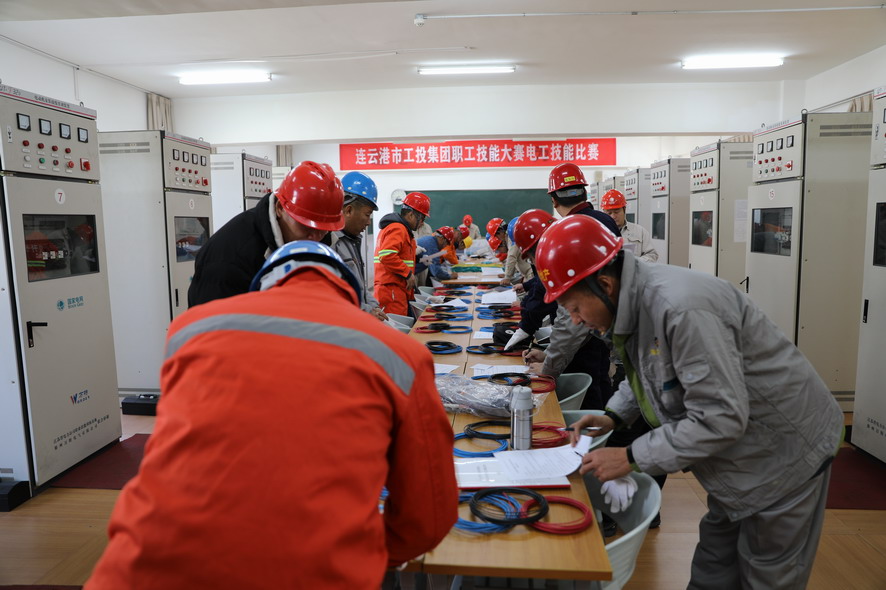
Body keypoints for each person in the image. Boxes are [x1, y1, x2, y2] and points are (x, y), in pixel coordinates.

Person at [84, 241, 458, 590]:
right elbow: (428, 517)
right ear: (349, 291)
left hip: (141, 568)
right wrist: (364, 550)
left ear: (263, 284)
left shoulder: (190, 329)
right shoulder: (399, 354)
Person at [537, 214, 843, 590]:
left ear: (604, 284)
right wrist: (613, 416)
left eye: (574, 308)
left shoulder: (680, 310)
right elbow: (651, 369)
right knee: (712, 570)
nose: (575, 320)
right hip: (737, 462)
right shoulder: (635, 303)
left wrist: (630, 456)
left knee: (767, 575)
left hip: (782, 456)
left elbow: (720, 418)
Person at [522, 163, 620, 407]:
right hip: (605, 326)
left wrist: (548, 367)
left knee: (591, 392)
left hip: (593, 328)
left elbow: (571, 321)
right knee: (602, 384)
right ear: (584, 192)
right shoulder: (604, 220)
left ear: (553, 201)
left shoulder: (567, 233)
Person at [188, 161, 344, 306]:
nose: (315, 239)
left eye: (323, 230)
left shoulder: (318, 241)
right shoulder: (229, 258)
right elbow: (215, 323)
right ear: (280, 208)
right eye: (306, 227)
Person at [329, 171, 387, 321]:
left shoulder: (351, 240)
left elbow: (360, 287)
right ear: (349, 210)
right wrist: (366, 311)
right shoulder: (330, 244)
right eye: (367, 215)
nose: (368, 222)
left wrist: (373, 306)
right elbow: (333, 297)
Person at [373, 192, 430, 315]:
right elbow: (387, 255)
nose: (422, 223)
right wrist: (408, 274)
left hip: (395, 289)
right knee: (395, 326)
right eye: (422, 219)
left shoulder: (400, 229)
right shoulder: (398, 229)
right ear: (411, 215)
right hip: (391, 291)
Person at [599, 189, 658, 262]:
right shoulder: (599, 233)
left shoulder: (640, 232)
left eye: (616, 212)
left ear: (624, 209)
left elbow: (652, 254)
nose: (613, 216)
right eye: (609, 213)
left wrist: (634, 263)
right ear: (603, 213)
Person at [500, 216, 533, 290]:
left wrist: (507, 277)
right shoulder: (511, 236)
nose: (499, 239)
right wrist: (507, 274)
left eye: (497, 236)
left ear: (500, 232)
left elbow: (512, 257)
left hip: (530, 273)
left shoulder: (514, 236)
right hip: (527, 273)